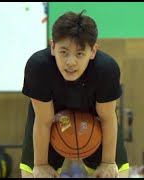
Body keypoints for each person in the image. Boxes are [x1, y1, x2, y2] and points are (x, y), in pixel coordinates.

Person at [20, 10, 129, 178]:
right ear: (53, 47)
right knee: (34, 175)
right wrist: (40, 165)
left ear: (93, 51)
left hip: (95, 116)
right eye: (64, 52)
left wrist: (108, 163)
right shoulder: (38, 67)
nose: (71, 62)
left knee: (117, 175)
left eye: (79, 54)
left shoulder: (106, 69)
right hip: (49, 116)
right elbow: (43, 121)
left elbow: (107, 118)